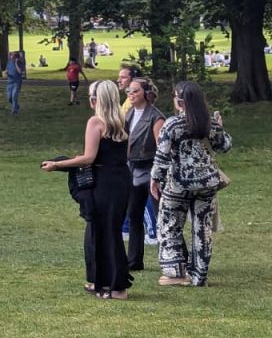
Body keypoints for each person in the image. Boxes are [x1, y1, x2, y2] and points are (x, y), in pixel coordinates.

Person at [40, 80, 132, 298]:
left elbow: (88, 158)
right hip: (120, 180)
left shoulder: (96, 123)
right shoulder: (122, 121)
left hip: (103, 182)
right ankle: (101, 281)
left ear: (97, 99)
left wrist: (57, 165)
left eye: (92, 96)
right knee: (108, 231)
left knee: (102, 231)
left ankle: (117, 287)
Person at [151, 80, 232, 287]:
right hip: (207, 183)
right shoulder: (210, 123)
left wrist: (155, 178)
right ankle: (199, 275)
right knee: (202, 228)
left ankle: (175, 271)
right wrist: (220, 128)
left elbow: (162, 155)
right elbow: (224, 147)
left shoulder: (172, 124)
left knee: (169, 224)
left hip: (178, 183)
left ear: (179, 101)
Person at [124, 76, 165, 272]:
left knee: (161, 216)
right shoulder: (130, 114)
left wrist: (157, 176)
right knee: (134, 215)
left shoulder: (156, 117)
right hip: (133, 170)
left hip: (151, 171)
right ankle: (134, 260)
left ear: (146, 94)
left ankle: (169, 258)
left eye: (135, 91)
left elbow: (162, 149)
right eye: (129, 91)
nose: (130, 94)